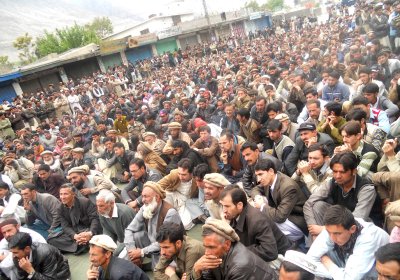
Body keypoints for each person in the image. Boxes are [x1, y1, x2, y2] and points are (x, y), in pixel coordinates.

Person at [304, 152, 384, 237]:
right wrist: (313, 229)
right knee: (317, 205)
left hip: (365, 228)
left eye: (342, 172)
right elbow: (308, 203)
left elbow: (358, 220)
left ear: (354, 171)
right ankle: (320, 244)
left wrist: (324, 229)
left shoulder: (366, 189)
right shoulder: (333, 182)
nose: (337, 176)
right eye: (335, 171)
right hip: (341, 220)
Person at [307, 205, 389, 279]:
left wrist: (326, 262)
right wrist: (338, 274)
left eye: (337, 233)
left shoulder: (369, 237)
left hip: (375, 274)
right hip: (346, 267)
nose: (332, 238)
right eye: (328, 232)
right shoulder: (334, 227)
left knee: (324, 255)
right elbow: (309, 260)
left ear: (352, 229)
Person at [220, 185, 292, 262]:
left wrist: (238, 252)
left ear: (239, 205)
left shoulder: (257, 220)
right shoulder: (233, 215)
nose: (224, 210)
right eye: (222, 206)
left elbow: (270, 252)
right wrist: (225, 226)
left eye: (227, 206)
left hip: (282, 258)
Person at [192, 218, 278, 280]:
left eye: (211, 247)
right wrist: (197, 270)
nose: (206, 252)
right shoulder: (216, 253)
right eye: (205, 246)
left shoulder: (240, 266)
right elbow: (209, 276)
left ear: (227, 244)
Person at [124, 181, 182, 269]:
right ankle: (139, 262)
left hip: (168, 248)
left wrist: (142, 252)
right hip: (152, 245)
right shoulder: (145, 208)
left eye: (146, 196)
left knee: (163, 271)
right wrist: (132, 252)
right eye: (142, 196)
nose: (142, 200)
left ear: (157, 197)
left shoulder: (170, 213)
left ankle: (153, 265)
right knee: (136, 236)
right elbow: (129, 229)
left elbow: (165, 242)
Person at [253, 159, 308, 242]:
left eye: (260, 174)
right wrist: (257, 197)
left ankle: (287, 244)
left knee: (264, 218)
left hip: (296, 221)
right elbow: (255, 189)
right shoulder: (270, 179)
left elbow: (280, 217)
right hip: (282, 215)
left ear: (271, 171)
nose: (258, 179)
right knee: (255, 206)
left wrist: (262, 206)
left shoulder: (288, 187)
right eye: (257, 175)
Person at [48, 184, 101, 255]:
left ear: (73, 194)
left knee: (93, 234)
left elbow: (95, 219)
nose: (62, 197)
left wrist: (90, 233)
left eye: (65, 194)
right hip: (75, 233)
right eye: (61, 194)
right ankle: (81, 245)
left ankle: (81, 244)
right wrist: (74, 236)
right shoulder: (60, 208)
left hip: (87, 230)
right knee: (51, 240)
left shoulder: (85, 202)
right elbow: (65, 226)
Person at [158, 158, 205, 230]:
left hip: (187, 201)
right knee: (164, 197)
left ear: (191, 173)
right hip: (173, 195)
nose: (180, 177)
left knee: (185, 225)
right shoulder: (174, 174)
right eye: (179, 174)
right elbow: (158, 185)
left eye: (183, 175)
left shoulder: (197, 178)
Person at [96, 189, 135, 255]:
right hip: (120, 243)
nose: (98, 209)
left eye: (101, 206)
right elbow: (107, 233)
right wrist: (105, 248)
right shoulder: (102, 213)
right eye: (97, 206)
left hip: (133, 243)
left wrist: (114, 253)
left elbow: (130, 238)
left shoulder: (124, 213)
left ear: (111, 203)